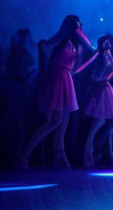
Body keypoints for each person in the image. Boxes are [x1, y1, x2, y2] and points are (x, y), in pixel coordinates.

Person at [17, 16, 99, 169]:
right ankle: (24, 156)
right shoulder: (60, 39)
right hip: (56, 79)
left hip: (66, 79)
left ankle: (60, 156)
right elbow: (45, 49)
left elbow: (75, 69)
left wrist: (93, 57)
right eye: (77, 24)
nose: (80, 26)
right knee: (54, 122)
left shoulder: (74, 45)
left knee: (63, 123)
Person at [82, 35, 113, 167]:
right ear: (101, 43)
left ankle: (105, 151)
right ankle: (90, 152)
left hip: (106, 87)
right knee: (99, 121)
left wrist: (112, 74)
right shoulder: (100, 55)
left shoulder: (108, 53)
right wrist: (103, 77)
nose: (109, 43)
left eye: (110, 41)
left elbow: (111, 70)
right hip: (101, 87)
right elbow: (96, 74)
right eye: (106, 41)